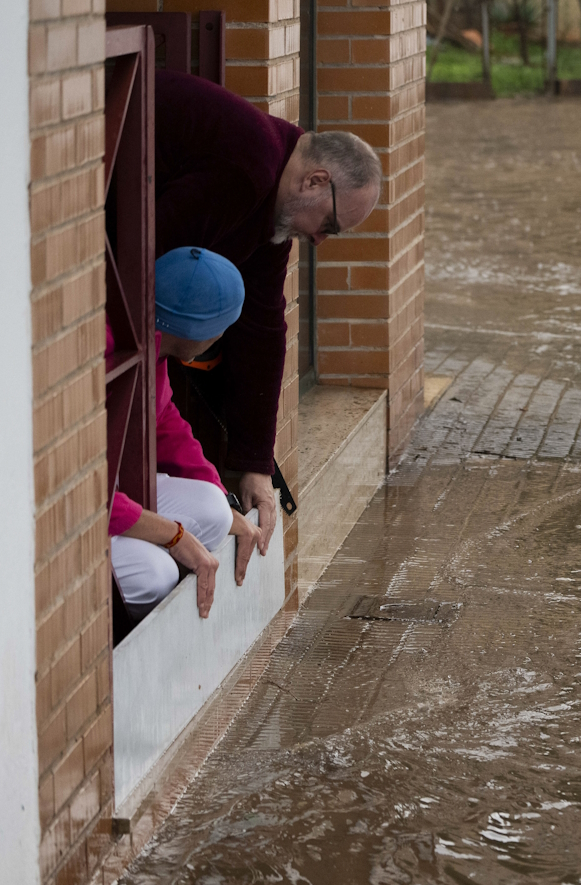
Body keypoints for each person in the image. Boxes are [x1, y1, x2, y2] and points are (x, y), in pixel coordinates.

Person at [153, 70, 383, 556]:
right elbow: (145, 265)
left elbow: (262, 326)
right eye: (329, 225)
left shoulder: (274, 193)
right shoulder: (248, 169)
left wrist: (254, 463)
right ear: (316, 180)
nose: (318, 240)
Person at [110, 247, 269, 619]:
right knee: (155, 574)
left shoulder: (153, 346)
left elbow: (164, 419)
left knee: (215, 511)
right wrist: (174, 536)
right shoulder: (112, 352)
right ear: (200, 331)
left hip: (113, 492)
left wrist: (227, 502)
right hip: (77, 511)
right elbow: (85, 496)